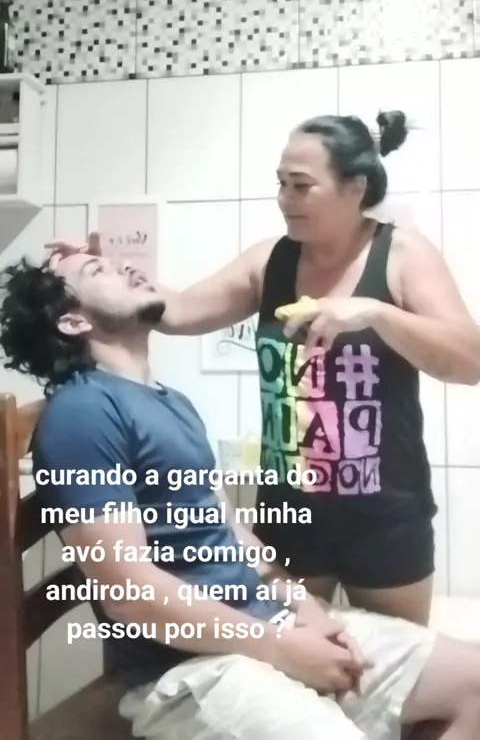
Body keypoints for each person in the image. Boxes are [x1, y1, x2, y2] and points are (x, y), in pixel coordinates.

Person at [1, 252, 479, 740]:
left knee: (473, 684)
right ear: (73, 321)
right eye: (97, 271)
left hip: (264, 627)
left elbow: (231, 530)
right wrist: (282, 649)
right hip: (192, 670)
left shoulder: (171, 402)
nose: (123, 266)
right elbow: (130, 595)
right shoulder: (83, 413)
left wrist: (304, 606)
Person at [43, 110, 480, 628]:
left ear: (355, 187)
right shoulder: (270, 261)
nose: (285, 199)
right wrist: (89, 280)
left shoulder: (402, 254)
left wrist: (375, 314)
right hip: (288, 513)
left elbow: (468, 361)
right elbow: (176, 312)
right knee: (302, 657)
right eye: (281, 183)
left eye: (302, 185)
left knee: (401, 666)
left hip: (387, 514)